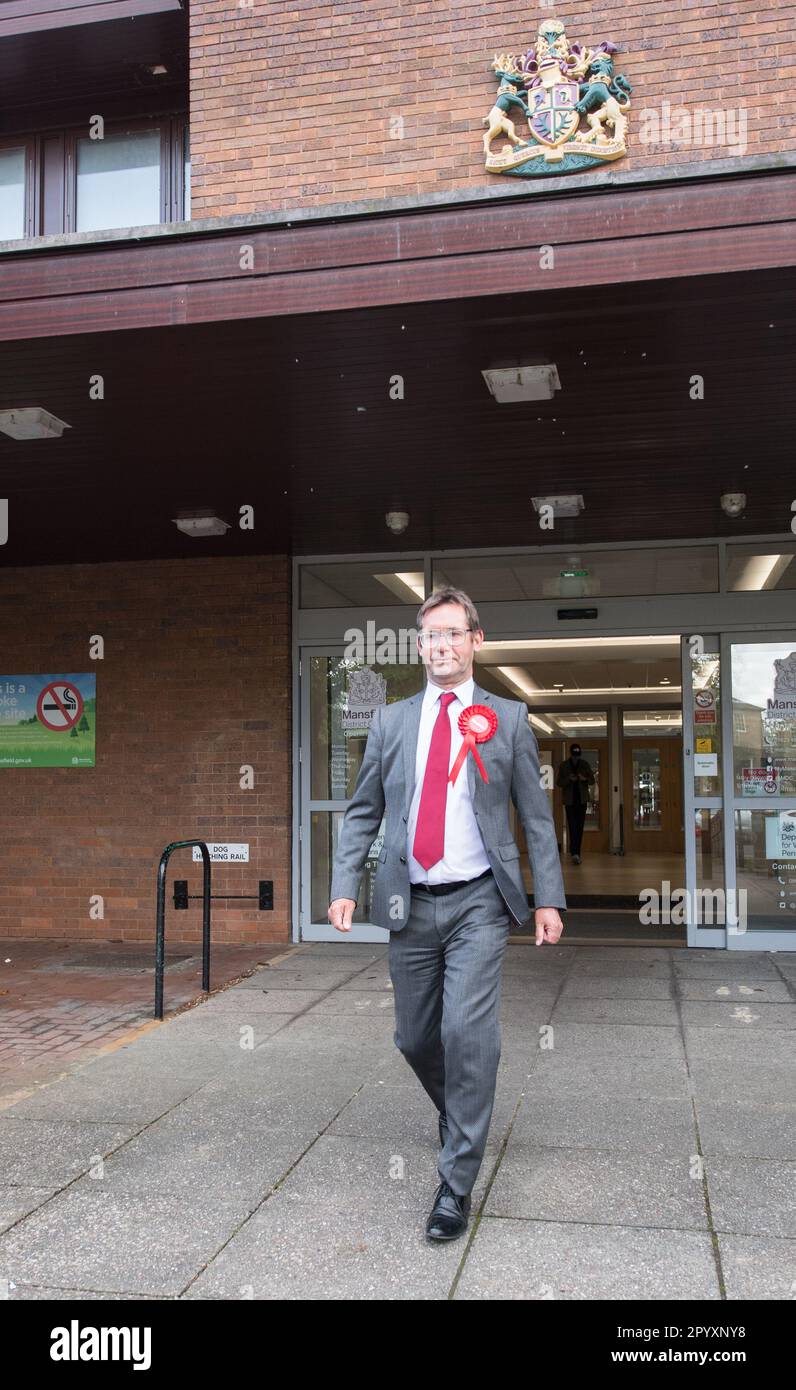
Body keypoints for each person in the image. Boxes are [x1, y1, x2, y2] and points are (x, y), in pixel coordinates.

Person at [328, 586, 566, 1243]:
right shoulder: (392, 722)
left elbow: (537, 822)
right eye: (430, 635)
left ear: (476, 640)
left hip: (478, 902)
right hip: (409, 901)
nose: (441, 645)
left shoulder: (508, 720)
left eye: (453, 634)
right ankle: (462, 1110)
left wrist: (548, 898)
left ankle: (454, 1184)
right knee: (413, 1037)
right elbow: (363, 812)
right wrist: (346, 882)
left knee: (467, 1032)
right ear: (420, 643)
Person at [556, 742, 595, 865]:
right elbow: (559, 782)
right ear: (571, 754)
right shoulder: (564, 766)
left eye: (577, 755)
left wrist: (584, 779)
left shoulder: (584, 764)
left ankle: (576, 853)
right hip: (570, 801)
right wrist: (569, 779)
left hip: (582, 800)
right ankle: (574, 853)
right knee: (572, 827)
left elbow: (592, 781)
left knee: (579, 827)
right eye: (574, 755)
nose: (576, 758)